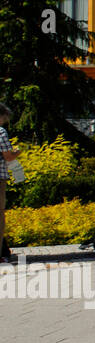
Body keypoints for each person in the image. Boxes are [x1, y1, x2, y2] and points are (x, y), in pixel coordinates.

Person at [0, 103, 18, 264]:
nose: (6, 122)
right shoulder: (1, 132)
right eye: (5, 118)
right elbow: (8, 157)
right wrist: (18, 152)